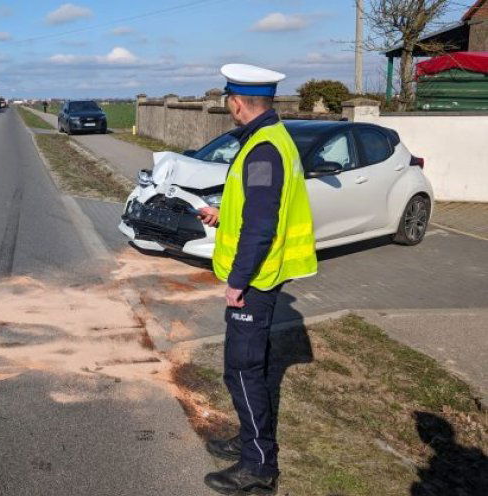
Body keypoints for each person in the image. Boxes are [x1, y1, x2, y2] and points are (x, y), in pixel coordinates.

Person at [196, 63, 318, 495]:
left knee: (243, 371)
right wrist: (219, 212)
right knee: (249, 367)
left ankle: (259, 466)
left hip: (256, 282)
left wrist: (238, 281)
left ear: (236, 103)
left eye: (228, 99)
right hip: (262, 277)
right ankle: (249, 442)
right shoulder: (271, 139)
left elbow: (262, 225)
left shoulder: (263, 148)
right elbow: (255, 207)